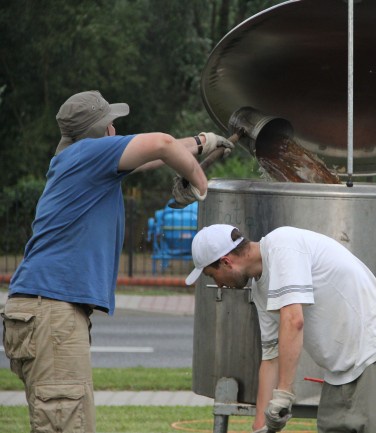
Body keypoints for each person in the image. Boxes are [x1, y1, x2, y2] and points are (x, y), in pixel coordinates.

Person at [1, 90, 233, 433]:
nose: (115, 130)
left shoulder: (79, 159)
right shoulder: (88, 154)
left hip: (41, 310)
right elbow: (160, 144)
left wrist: (204, 141)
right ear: (101, 132)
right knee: (68, 425)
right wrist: (200, 184)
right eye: (111, 123)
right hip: (51, 313)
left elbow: (154, 156)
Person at [185, 224, 376, 433]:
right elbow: (271, 357)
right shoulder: (260, 288)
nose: (218, 284)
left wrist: (284, 394)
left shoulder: (283, 245)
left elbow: (294, 320)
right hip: (338, 374)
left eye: (211, 274)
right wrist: (260, 424)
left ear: (226, 262)